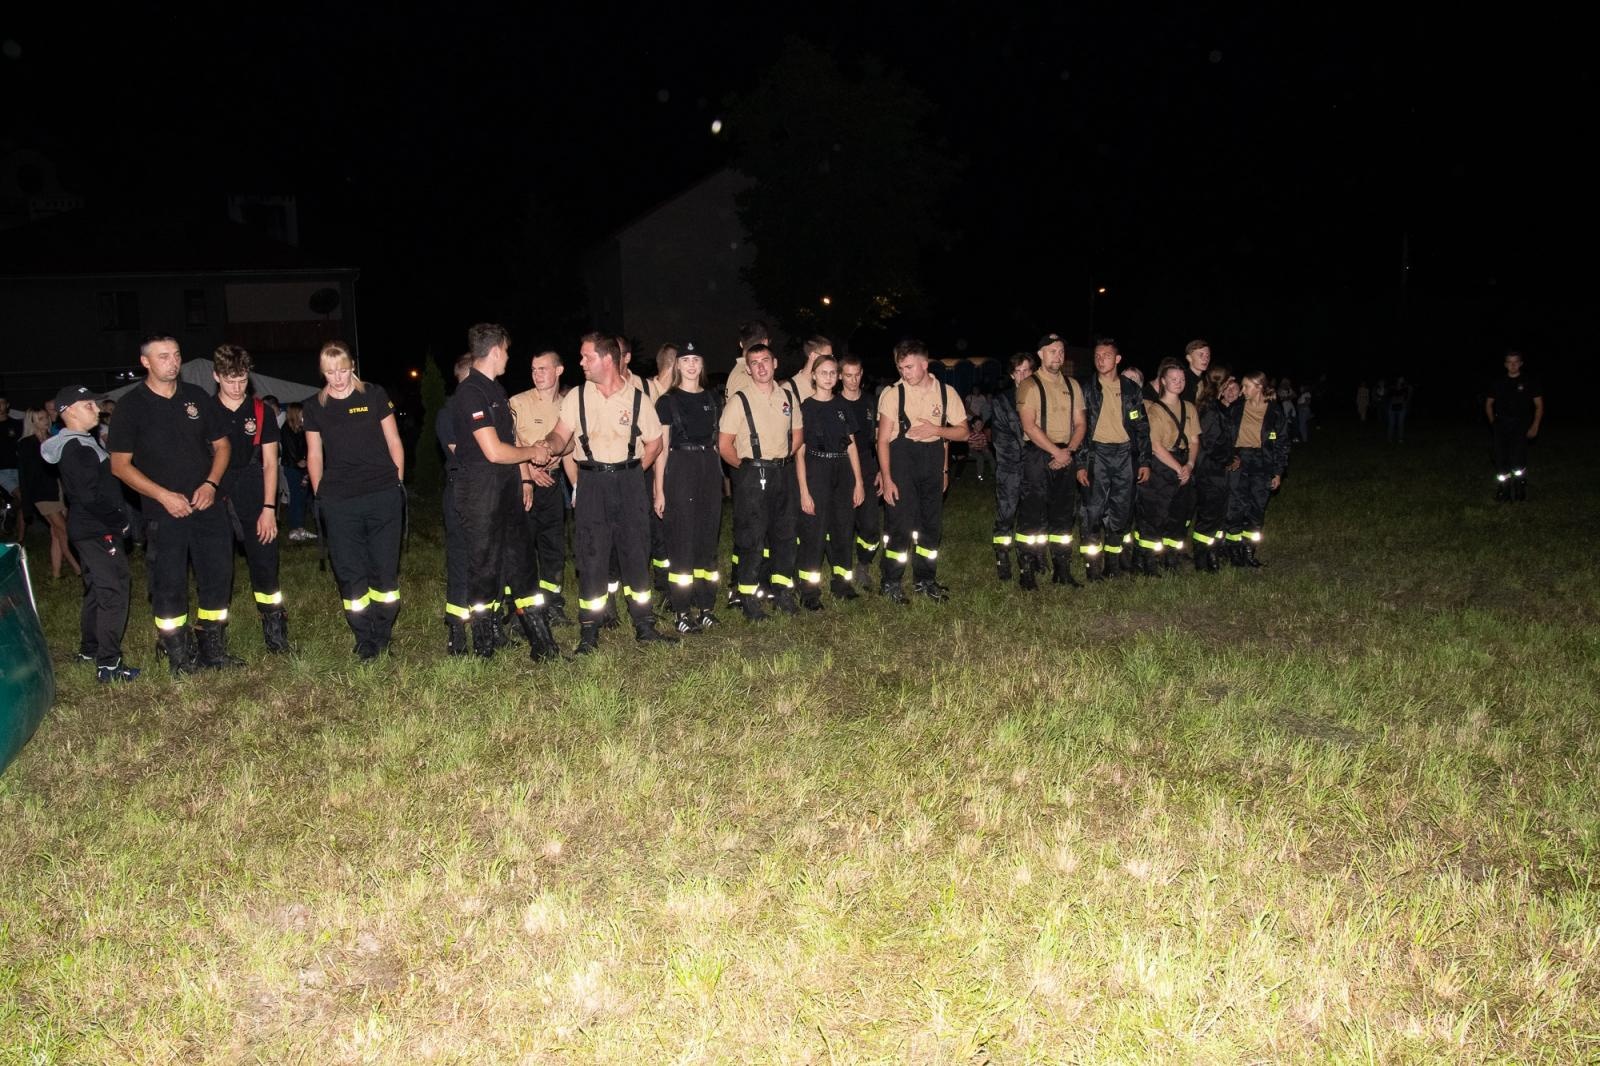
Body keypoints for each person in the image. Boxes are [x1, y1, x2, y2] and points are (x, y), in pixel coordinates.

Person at [107, 334, 234, 674]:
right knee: (169, 583)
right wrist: (162, 495)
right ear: (145, 362)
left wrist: (211, 484)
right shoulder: (131, 406)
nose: (173, 361)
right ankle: (178, 654)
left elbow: (222, 446)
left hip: (208, 506)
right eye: (163, 356)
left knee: (218, 576)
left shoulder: (196, 398)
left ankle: (213, 649)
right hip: (164, 511)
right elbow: (119, 465)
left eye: (176, 354)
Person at [543, 332, 676, 652]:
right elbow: (561, 436)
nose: (581, 362)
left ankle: (644, 626)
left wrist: (632, 471)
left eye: (586, 357)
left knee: (635, 551)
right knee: (591, 556)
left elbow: (655, 442)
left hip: (629, 482)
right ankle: (589, 632)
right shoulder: (576, 396)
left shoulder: (637, 399)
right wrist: (547, 446)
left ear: (607, 359)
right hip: (591, 485)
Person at [447, 323, 561, 660]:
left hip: (507, 490)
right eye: (507, 351)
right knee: (484, 570)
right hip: (479, 493)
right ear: (496, 350)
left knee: (523, 564)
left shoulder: (496, 392)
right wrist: (532, 453)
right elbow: (495, 451)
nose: (509, 357)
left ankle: (543, 645)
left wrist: (524, 475)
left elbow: (509, 444)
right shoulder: (471, 393)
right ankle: (485, 648)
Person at [303, 340, 406, 660]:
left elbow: (394, 441)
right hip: (340, 501)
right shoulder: (313, 407)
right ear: (322, 372)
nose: (338, 377)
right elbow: (314, 453)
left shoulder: (373, 395)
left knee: (384, 571)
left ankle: (382, 631)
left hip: (382, 495)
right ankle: (363, 637)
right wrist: (322, 495)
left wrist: (397, 484)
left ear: (352, 367)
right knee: (350, 571)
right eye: (330, 372)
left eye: (343, 370)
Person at [43, 386, 139, 681]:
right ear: (68, 410)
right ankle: (109, 664)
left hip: (88, 527)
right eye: (89, 405)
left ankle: (90, 650)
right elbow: (88, 496)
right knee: (114, 590)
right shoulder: (76, 448)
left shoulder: (82, 442)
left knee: (98, 589)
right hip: (98, 528)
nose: (97, 409)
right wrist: (119, 521)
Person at [877, 339, 968, 602]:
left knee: (931, 526)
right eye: (901, 368)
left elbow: (962, 432)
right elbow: (882, 440)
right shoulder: (893, 393)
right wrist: (887, 477)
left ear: (924, 364)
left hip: (932, 461)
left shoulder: (946, 392)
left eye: (908, 367)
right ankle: (891, 581)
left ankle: (925, 580)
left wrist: (943, 468)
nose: (904, 373)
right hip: (902, 461)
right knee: (900, 526)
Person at [718, 342, 804, 619]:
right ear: (748, 368)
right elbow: (724, 444)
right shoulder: (739, 400)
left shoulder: (788, 397)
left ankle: (781, 592)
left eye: (765, 360)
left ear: (775, 362)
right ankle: (748, 597)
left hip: (783, 472)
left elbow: (798, 434)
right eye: (754, 363)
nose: (761, 367)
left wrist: (781, 459)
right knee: (751, 538)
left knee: (785, 535)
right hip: (752, 475)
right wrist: (744, 468)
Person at [210, 345, 288, 653]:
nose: (237, 386)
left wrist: (269, 508)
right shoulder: (205, 410)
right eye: (230, 380)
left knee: (266, 566)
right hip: (216, 495)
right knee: (216, 569)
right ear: (217, 376)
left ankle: (276, 633)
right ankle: (213, 641)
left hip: (254, 493)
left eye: (242, 379)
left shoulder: (261, 412)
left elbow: (271, 463)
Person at [653, 341, 724, 632]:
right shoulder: (667, 402)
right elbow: (662, 449)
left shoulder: (712, 398)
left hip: (708, 468)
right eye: (686, 359)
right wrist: (659, 490)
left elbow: (718, 442)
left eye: (697, 359)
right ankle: (681, 611)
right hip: (680, 469)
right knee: (681, 541)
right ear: (678, 365)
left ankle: (706, 605)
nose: (692, 365)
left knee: (707, 540)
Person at [795, 346, 866, 609]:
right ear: (813, 376)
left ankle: (841, 583)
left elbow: (851, 445)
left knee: (843, 528)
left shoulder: (843, 407)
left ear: (837, 377)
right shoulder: (805, 408)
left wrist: (858, 482)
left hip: (842, 471)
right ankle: (809, 593)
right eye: (822, 372)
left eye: (832, 373)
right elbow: (799, 453)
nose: (828, 377)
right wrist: (804, 490)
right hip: (816, 469)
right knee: (814, 531)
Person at [1075, 338, 1152, 580]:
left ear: (1118, 359)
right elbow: (1077, 429)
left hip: (1125, 455)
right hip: (1096, 454)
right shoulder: (1085, 388)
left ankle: (1113, 564)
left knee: (1120, 511)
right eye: (1097, 355)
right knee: (1093, 511)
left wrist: (1145, 461)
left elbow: (1142, 427)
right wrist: (1080, 464)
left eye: (1106, 355)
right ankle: (1092, 567)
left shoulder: (1131, 389)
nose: (1101, 359)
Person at [1015, 332, 1086, 590]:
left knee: (1064, 515)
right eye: (1052, 350)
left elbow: (1080, 423)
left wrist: (1068, 451)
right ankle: (1027, 571)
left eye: (1061, 351)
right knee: (1032, 515)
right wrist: (1056, 453)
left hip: (1067, 452)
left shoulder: (1073, 385)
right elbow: (1029, 426)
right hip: (1038, 454)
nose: (1058, 355)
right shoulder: (1029, 385)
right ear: (1041, 354)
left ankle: (1062, 570)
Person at [509, 348, 572, 625]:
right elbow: (512, 443)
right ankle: (520, 608)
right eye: (534, 369)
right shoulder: (518, 402)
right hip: (523, 483)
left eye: (543, 369)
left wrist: (556, 459)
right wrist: (529, 473)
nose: (537, 375)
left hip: (554, 483)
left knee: (553, 546)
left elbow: (571, 442)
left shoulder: (568, 404)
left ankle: (552, 604)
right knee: (522, 545)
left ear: (558, 370)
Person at [1136, 359, 1202, 574]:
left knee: (1179, 514)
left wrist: (1190, 465)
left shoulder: (1189, 407)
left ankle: (1171, 557)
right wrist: (1177, 467)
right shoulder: (1154, 410)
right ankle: (1149, 560)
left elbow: (1194, 439)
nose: (1178, 382)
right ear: (1163, 381)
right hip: (1163, 466)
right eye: (1173, 379)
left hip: (1184, 464)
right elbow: (1155, 445)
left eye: (1182, 379)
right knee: (1155, 514)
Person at [1224, 371, 1290, 566]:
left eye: (1246, 386)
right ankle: (1234, 552)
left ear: (1259, 387)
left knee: (1256, 509)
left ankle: (1248, 552)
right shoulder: (1236, 408)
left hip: (1263, 463)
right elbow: (1225, 437)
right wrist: (1228, 458)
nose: (1242, 390)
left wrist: (1278, 471)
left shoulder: (1274, 411)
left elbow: (1282, 443)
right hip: (1239, 461)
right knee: (1235, 507)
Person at [838, 353, 883, 587]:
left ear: (861, 374)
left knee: (869, 524)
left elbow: (878, 438)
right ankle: (841, 570)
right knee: (843, 523)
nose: (853, 380)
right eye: (848, 376)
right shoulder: (834, 403)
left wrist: (882, 470)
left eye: (856, 375)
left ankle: (863, 565)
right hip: (840, 467)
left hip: (867, 465)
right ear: (839, 376)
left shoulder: (870, 402)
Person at [19, 408, 80, 580]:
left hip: (58, 489)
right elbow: (26, 475)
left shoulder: (53, 439)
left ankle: (56, 573)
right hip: (41, 493)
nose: (45, 421)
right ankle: (79, 568)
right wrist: (27, 504)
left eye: (46, 417)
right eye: (40, 418)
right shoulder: (27, 443)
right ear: (32, 422)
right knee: (64, 529)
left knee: (56, 533)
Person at [988, 353, 1034, 580]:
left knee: (1032, 515)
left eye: (1027, 370)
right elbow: (1002, 440)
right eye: (1018, 371)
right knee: (1006, 514)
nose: (1022, 375)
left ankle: (1031, 557)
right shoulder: (1002, 401)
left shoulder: (1039, 398)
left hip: (1034, 466)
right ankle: (1002, 557)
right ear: (1011, 374)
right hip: (1010, 467)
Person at [1189, 366, 1235, 572]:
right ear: (1222, 384)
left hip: (1216, 470)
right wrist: (1228, 458)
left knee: (1216, 515)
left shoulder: (1215, 407)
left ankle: (1211, 553)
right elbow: (1210, 442)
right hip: (1210, 471)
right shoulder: (1209, 409)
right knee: (1208, 517)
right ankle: (1202, 559)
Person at [1486, 349, 1543, 502]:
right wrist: (1493, 423)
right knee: (1500, 459)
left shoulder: (1529, 381)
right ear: (1505, 364)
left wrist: (1535, 425)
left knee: (1518, 459)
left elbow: (1539, 405)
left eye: (1516, 362)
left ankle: (1519, 487)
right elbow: (1489, 404)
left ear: (1521, 363)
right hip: (1502, 425)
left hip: (1521, 425)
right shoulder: (1498, 383)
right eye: (1509, 362)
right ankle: (1504, 490)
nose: (1513, 365)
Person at [280, 403, 315, 542]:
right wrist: (298, 461)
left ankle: (300, 527)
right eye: (301, 412)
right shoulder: (287, 429)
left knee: (302, 497)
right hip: (292, 468)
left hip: (302, 467)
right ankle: (294, 528)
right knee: (295, 497)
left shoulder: (301, 428)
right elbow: (290, 449)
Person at [1386, 376, 1412, 443]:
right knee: (1391, 423)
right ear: (1397, 379)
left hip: (1402, 408)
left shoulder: (1406, 387)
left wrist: (1401, 398)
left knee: (1400, 423)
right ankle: (1389, 439)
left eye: (1402, 379)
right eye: (1400, 379)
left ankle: (1400, 438)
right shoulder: (1392, 387)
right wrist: (1398, 397)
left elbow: (1406, 397)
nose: (1401, 380)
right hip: (1392, 407)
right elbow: (1390, 396)